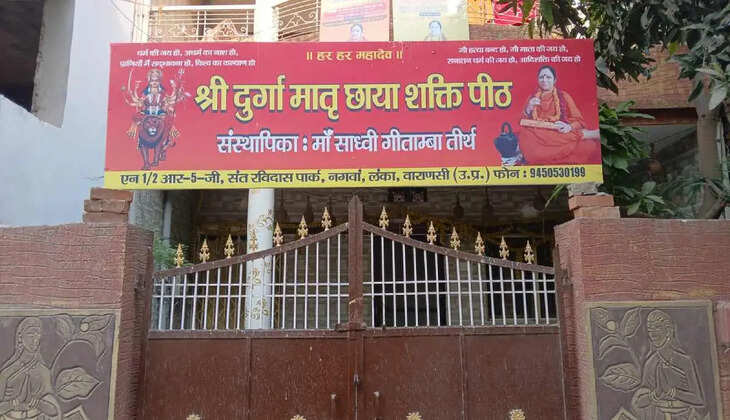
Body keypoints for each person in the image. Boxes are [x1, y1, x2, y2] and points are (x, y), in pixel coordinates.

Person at [518, 65, 600, 165]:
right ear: (538, 80)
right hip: (537, 135)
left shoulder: (564, 96)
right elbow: (522, 122)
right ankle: (584, 135)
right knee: (526, 137)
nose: (544, 80)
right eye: (541, 77)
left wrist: (569, 127)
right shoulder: (532, 98)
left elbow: (579, 120)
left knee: (587, 147)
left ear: (554, 80)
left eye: (548, 77)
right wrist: (528, 108)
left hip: (558, 132)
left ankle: (583, 135)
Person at [631, 310, 705, 420]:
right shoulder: (650, 363)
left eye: (657, 328)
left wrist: (671, 391)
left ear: (669, 331)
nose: (653, 334)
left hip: (685, 416)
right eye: (650, 330)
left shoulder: (685, 361)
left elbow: (698, 399)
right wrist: (656, 393)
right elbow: (640, 403)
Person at [0, 318, 61, 420]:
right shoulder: (7, 373)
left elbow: (54, 410)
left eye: (38, 336)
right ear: (20, 337)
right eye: (30, 335)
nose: (35, 340)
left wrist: (36, 403)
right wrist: (12, 404)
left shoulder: (44, 372)